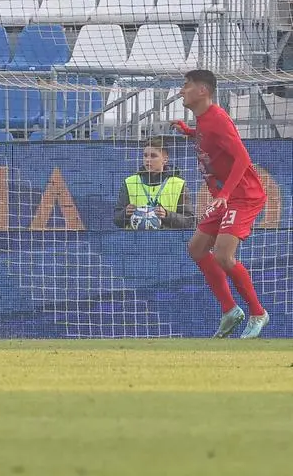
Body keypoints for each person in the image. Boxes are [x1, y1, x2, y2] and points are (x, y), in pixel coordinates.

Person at [173, 69, 269, 339]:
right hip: (226, 196)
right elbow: (210, 139)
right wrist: (190, 132)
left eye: (186, 85)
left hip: (242, 194)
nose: (181, 90)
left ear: (202, 90)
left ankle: (257, 312)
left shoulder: (217, 119)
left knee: (223, 256)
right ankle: (229, 310)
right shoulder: (203, 120)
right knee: (197, 248)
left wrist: (225, 194)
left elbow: (242, 159)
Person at [114, 137, 194, 230]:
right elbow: (116, 220)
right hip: (134, 242)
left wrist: (167, 215)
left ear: (165, 159)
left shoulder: (178, 184)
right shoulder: (130, 182)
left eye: (153, 156)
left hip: (168, 242)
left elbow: (189, 221)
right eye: (145, 155)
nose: (148, 159)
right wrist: (125, 213)